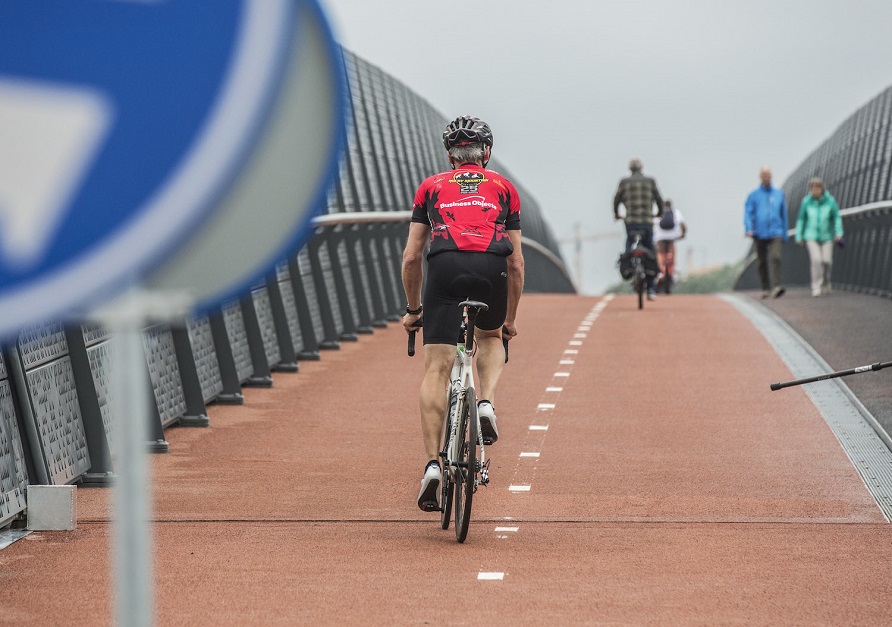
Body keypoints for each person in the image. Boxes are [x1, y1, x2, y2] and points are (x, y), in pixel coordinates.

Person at [401, 115, 524, 512]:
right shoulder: (504, 189)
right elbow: (518, 263)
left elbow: (411, 256)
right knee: (488, 338)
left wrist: (412, 310)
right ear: (486, 153)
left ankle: (434, 466)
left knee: (437, 366)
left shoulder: (431, 187)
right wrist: (509, 322)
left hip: (445, 269)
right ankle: (485, 401)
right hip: (492, 267)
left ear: (449, 154)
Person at [613, 158, 664, 300]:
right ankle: (651, 289)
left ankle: (627, 265)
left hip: (631, 222)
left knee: (629, 244)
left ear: (630, 169)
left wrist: (617, 214)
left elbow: (616, 199)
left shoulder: (624, 182)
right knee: (650, 249)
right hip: (647, 222)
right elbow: (659, 200)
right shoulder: (650, 181)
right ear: (641, 168)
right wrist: (659, 213)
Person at [744, 167, 788, 298]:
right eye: (763, 175)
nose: (766, 177)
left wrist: (784, 233)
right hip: (759, 232)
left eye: (768, 175)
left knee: (776, 257)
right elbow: (748, 213)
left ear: (771, 176)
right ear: (760, 177)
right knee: (762, 261)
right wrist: (748, 228)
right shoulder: (754, 195)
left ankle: (777, 286)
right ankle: (766, 287)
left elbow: (783, 214)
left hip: (776, 231)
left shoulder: (779, 194)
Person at [795, 177, 843, 297]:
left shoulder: (830, 201)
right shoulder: (806, 202)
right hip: (811, 236)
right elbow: (801, 219)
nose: (815, 190)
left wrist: (839, 233)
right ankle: (816, 286)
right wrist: (799, 236)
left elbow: (836, 217)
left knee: (826, 261)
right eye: (812, 188)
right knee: (816, 260)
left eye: (817, 187)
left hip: (827, 235)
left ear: (822, 188)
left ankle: (826, 281)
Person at [652, 199, 687, 293]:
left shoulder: (657, 212)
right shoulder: (676, 212)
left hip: (660, 237)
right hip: (672, 236)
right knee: (672, 250)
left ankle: (660, 270)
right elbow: (683, 226)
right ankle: (672, 268)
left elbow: (652, 224)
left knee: (660, 253)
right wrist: (682, 235)